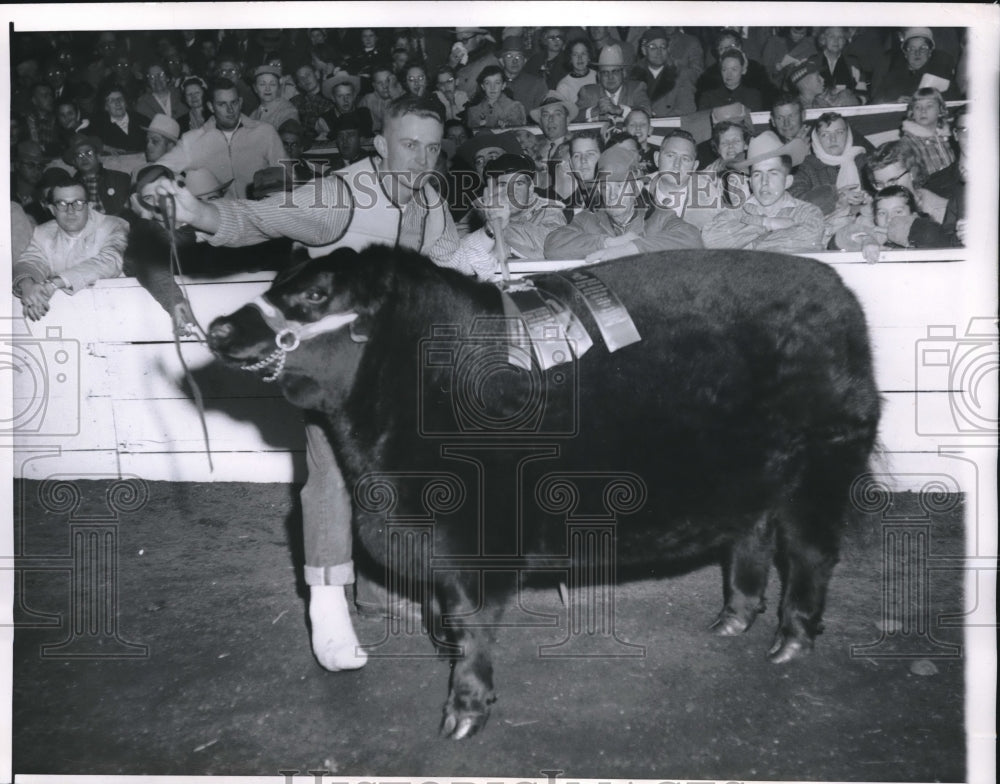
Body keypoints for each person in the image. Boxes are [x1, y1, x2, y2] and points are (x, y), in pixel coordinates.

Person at [147, 96, 508, 673]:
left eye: (432, 147)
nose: (421, 159)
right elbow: (260, 218)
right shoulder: (339, 198)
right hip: (327, 362)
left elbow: (438, 259)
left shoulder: (433, 202)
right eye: (409, 145)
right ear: (381, 146)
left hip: (393, 368)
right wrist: (198, 213)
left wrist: (486, 244)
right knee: (333, 475)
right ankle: (327, 608)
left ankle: (412, 586)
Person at [544, 143, 702, 261]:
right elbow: (552, 245)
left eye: (620, 186)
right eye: (606, 186)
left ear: (637, 188)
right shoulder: (589, 218)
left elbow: (693, 239)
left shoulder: (658, 217)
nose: (612, 195)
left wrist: (632, 247)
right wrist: (609, 243)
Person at [13, 171, 128, 321]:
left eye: (78, 203)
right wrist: (27, 285)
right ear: (52, 210)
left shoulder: (114, 225)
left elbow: (109, 261)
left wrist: (53, 284)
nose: (70, 210)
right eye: (61, 204)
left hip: (115, 309)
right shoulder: (42, 233)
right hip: (69, 315)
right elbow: (30, 262)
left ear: (90, 206)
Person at [157, 78, 285, 199]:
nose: (230, 110)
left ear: (240, 102)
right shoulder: (192, 140)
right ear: (211, 107)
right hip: (220, 218)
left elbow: (287, 175)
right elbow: (157, 170)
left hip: (261, 214)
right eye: (222, 104)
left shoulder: (265, 132)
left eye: (233, 103)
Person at [702, 130, 824, 252]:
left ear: (787, 181)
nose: (764, 182)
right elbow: (710, 240)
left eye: (773, 173)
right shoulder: (735, 213)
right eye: (757, 174)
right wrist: (767, 223)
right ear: (750, 183)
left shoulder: (808, 212)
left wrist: (751, 243)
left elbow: (809, 239)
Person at [458, 152, 567, 258]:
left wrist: (492, 227)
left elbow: (551, 247)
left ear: (530, 188)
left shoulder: (549, 210)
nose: (510, 192)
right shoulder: (481, 209)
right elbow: (458, 246)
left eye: (518, 184)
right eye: (502, 185)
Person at [789, 112, 870, 216]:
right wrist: (836, 194)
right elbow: (795, 203)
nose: (833, 139)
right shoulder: (806, 166)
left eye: (839, 132)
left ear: (848, 135)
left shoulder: (864, 161)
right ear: (817, 139)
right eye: (825, 134)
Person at [870, 28, 958, 104]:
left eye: (923, 48)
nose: (917, 53)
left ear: (930, 52)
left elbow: (954, 103)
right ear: (905, 53)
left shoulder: (942, 74)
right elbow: (874, 104)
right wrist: (893, 103)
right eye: (912, 49)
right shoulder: (893, 75)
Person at [629, 26, 696, 117]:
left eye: (663, 47)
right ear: (644, 50)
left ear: (668, 49)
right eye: (653, 47)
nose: (659, 52)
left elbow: (687, 109)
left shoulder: (681, 74)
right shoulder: (631, 74)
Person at [575, 44, 651, 123]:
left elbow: (647, 112)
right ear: (598, 76)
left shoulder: (636, 88)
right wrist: (594, 110)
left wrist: (619, 109)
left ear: (624, 73)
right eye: (605, 72)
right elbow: (571, 116)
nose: (610, 77)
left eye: (615, 71)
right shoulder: (588, 92)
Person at [62, 133, 132, 216]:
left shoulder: (120, 179)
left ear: (98, 156)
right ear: (74, 162)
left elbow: (127, 212)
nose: (84, 158)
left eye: (88, 153)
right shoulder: (70, 187)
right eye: (79, 155)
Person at [900, 87, 954, 177]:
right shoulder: (908, 143)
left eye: (929, 106)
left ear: (940, 110)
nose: (923, 111)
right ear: (912, 113)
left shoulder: (950, 136)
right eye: (917, 107)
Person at [698, 48, 763, 111]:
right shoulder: (708, 97)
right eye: (724, 70)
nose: (729, 74)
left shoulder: (753, 96)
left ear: (743, 70)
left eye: (734, 69)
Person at [464, 65, 527, 130]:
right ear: (482, 86)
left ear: (503, 85)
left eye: (497, 83)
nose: (492, 87)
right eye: (487, 83)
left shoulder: (514, 107)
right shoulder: (474, 111)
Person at [91, 85, 147, 154]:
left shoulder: (142, 120)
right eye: (111, 100)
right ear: (106, 107)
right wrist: (106, 148)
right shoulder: (98, 124)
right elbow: (85, 139)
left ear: (125, 103)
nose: (117, 103)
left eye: (120, 99)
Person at [785, 59, 858, 110]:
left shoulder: (820, 102)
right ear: (806, 84)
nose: (823, 79)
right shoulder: (797, 109)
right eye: (818, 76)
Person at [499, 36, 547, 113]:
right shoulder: (492, 82)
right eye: (509, 56)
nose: (515, 61)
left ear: (524, 61)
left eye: (518, 56)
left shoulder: (537, 84)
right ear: (501, 61)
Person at [319, 74, 374, 139]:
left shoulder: (365, 114)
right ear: (333, 98)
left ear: (354, 96)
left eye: (348, 95)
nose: (345, 100)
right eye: (340, 96)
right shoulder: (325, 120)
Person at [452, 28, 500, 98]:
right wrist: (452, 65)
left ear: (478, 38)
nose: (460, 46)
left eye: (464, 40)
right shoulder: (464, 59)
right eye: (458, 41)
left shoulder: (489, 63)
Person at [249, 64, 299, 130]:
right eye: (262, 84)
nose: (267, 89)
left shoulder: (288, 112)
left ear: (279, 88)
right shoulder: (254, 114)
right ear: (255, 88)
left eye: (272, 84)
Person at [11, 140, 50, 224]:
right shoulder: (6, 189)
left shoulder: (45, 193)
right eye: (30, 165)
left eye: (40, 166)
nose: (36, 171)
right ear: (17, 165)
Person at [358, 66, 403, 133]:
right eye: (380, 83)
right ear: (374, 86)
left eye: (388, 81)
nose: (384, 86)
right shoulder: (367, 101)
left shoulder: (403, 98)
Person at [556, 38, 598, 106]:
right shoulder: (563, 86)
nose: (580, 58)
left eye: (583, 53)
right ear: (570, 59)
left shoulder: (598, 76)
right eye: (575, 54)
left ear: (589, 57)